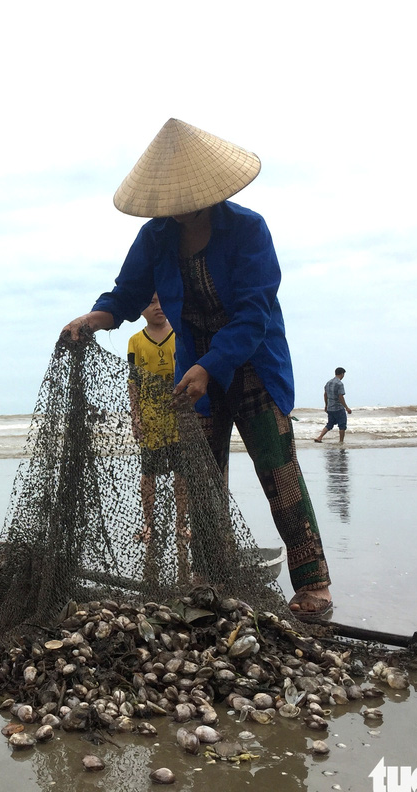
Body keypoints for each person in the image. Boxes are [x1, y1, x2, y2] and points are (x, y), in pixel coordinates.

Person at [62, 118, 332, 618]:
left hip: (253, 365)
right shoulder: (157, 237)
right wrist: (95, 320)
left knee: (279, 474)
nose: (180, 205)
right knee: (205, 481)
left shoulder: (248, 229)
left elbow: (255, 313)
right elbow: (127, 293)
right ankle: (213, 582)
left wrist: (214, 364)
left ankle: (315, 586)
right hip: (194, 378)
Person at [127, 294, 189, 575]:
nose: (157, 306)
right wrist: (136, 417)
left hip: (178, 419)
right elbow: (133, 382)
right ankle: (149, 525)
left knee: (182, 473)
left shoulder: (180, 333)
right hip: (151, 421)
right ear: (141, 308)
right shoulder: (135, 342)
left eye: (161, 299)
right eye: (150, 301)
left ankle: (181, 525)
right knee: (148, 473)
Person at [314, 368, 351, 444]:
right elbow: (340, 397)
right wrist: (346, 407)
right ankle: (341, 441)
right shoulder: (339, 384)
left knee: (330, 424)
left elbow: (325, 395)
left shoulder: (328, 383)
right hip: (338, 408)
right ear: (342, 374)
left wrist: (326, 405)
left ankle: (320, 437)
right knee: (342, 425)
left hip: (330, 408)